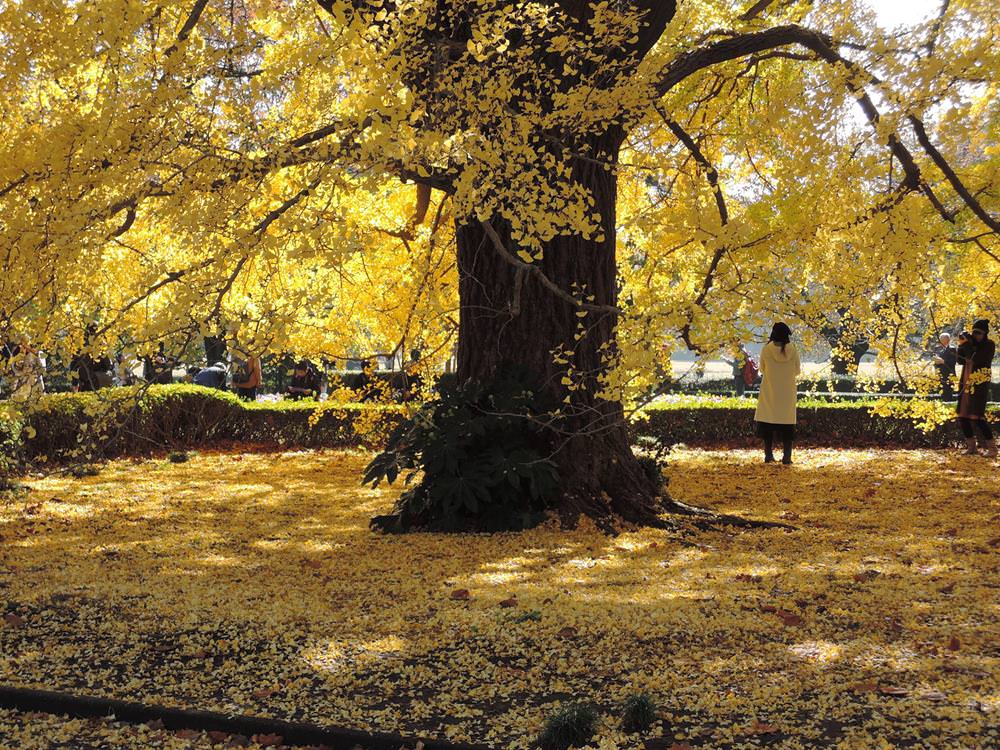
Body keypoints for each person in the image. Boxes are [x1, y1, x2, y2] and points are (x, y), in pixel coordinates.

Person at [754, 322, 801, 464]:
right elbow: (797, 370)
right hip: (787, 393)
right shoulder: (793, 350)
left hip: (770, 391)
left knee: (767, 423)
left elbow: (762, 369)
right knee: (787, 425)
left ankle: (768, 455)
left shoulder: (766, 350)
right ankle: (787, 457)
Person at [955, 320, 996, 457]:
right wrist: (962, 344)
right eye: (974, 332)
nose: (976, 335)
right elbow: (960, 360)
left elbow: (976, 359)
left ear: (985, 334)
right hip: (965, 384)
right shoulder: (971, 345)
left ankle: (992, 449)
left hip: (978, 386)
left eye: (978, 333)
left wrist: (968, 344)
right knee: (962, 416)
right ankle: (971, 447)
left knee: (977, 417)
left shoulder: (989, 345)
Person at [932, 331, 957, 401]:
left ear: (947, 339)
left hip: (949, 374)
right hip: (940, 374)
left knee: (948, 394)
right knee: (941, 393)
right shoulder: (938, 349)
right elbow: (935, 360)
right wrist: (936, 362)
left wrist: (943, 361)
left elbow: (953, 362)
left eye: (941, 338)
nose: (939, 339)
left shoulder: (952, 349)